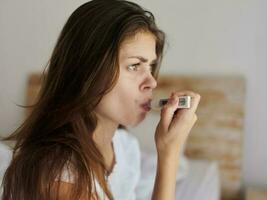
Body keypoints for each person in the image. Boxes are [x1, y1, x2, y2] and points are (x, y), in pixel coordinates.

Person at [1, 0, 201, 199]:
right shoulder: (60, 171)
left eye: (150, 66)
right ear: (89, 70)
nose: (152, 82)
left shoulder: (125, 147)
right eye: (134, 66)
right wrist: (169, 154)